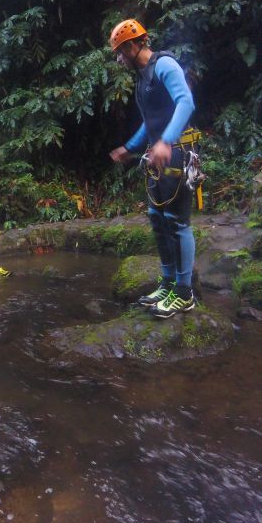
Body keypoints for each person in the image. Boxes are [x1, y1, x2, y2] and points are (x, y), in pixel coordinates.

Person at [108, 19, 199, 318]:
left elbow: (186, 102)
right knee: (157, 218)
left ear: (136, 45)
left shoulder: (164, 66)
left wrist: (166, 141)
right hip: (157, 156)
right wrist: (130, 147)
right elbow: (151, 122)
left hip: (177, 152)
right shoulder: (143, 77)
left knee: (176, 221)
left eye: (121, 52)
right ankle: (169, 283)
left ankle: (185, 294)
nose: (119, 58)